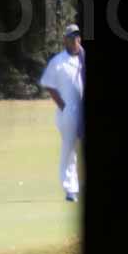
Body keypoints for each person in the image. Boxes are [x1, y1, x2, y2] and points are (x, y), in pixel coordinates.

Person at [40, 24, 85, 202]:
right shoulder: (58, 61)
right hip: (69, 112)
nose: (75, 40)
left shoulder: (84, 57)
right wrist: (62, 106)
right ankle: (70, 189)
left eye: (77, 36)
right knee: (69, 150)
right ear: (65, 40)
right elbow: (48, 84)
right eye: (71, 37)